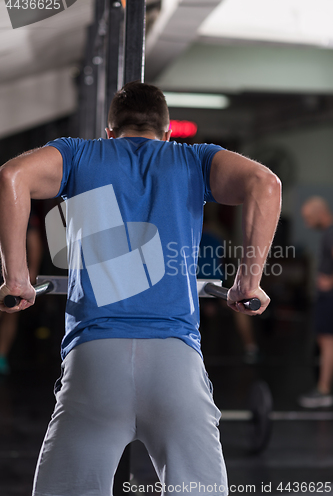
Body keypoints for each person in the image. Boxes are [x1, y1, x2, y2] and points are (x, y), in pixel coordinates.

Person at [0, 82, 281, 496]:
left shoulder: (79, 154)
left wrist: (17, 278)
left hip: (94, 363)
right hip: (176, 364)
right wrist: (248, 282)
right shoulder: (192, 158)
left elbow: (12, 176)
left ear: (109, 131)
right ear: (167, 132)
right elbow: (266, 184)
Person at [299, 196, 333, 408]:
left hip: (329, 298)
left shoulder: (331, 234)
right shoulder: (327, 234)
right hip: (325, 298)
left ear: (321, 214)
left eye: (308, 218)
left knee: (327, 343)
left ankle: (323, 390)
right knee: (325, 342)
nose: (307, 223)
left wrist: (329, 282)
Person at [0, 206, 43, 375]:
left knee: (10, 314)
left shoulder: (19, 203)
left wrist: (30, 274)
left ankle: (1, 356)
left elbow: (34, 240)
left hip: (10, 271)